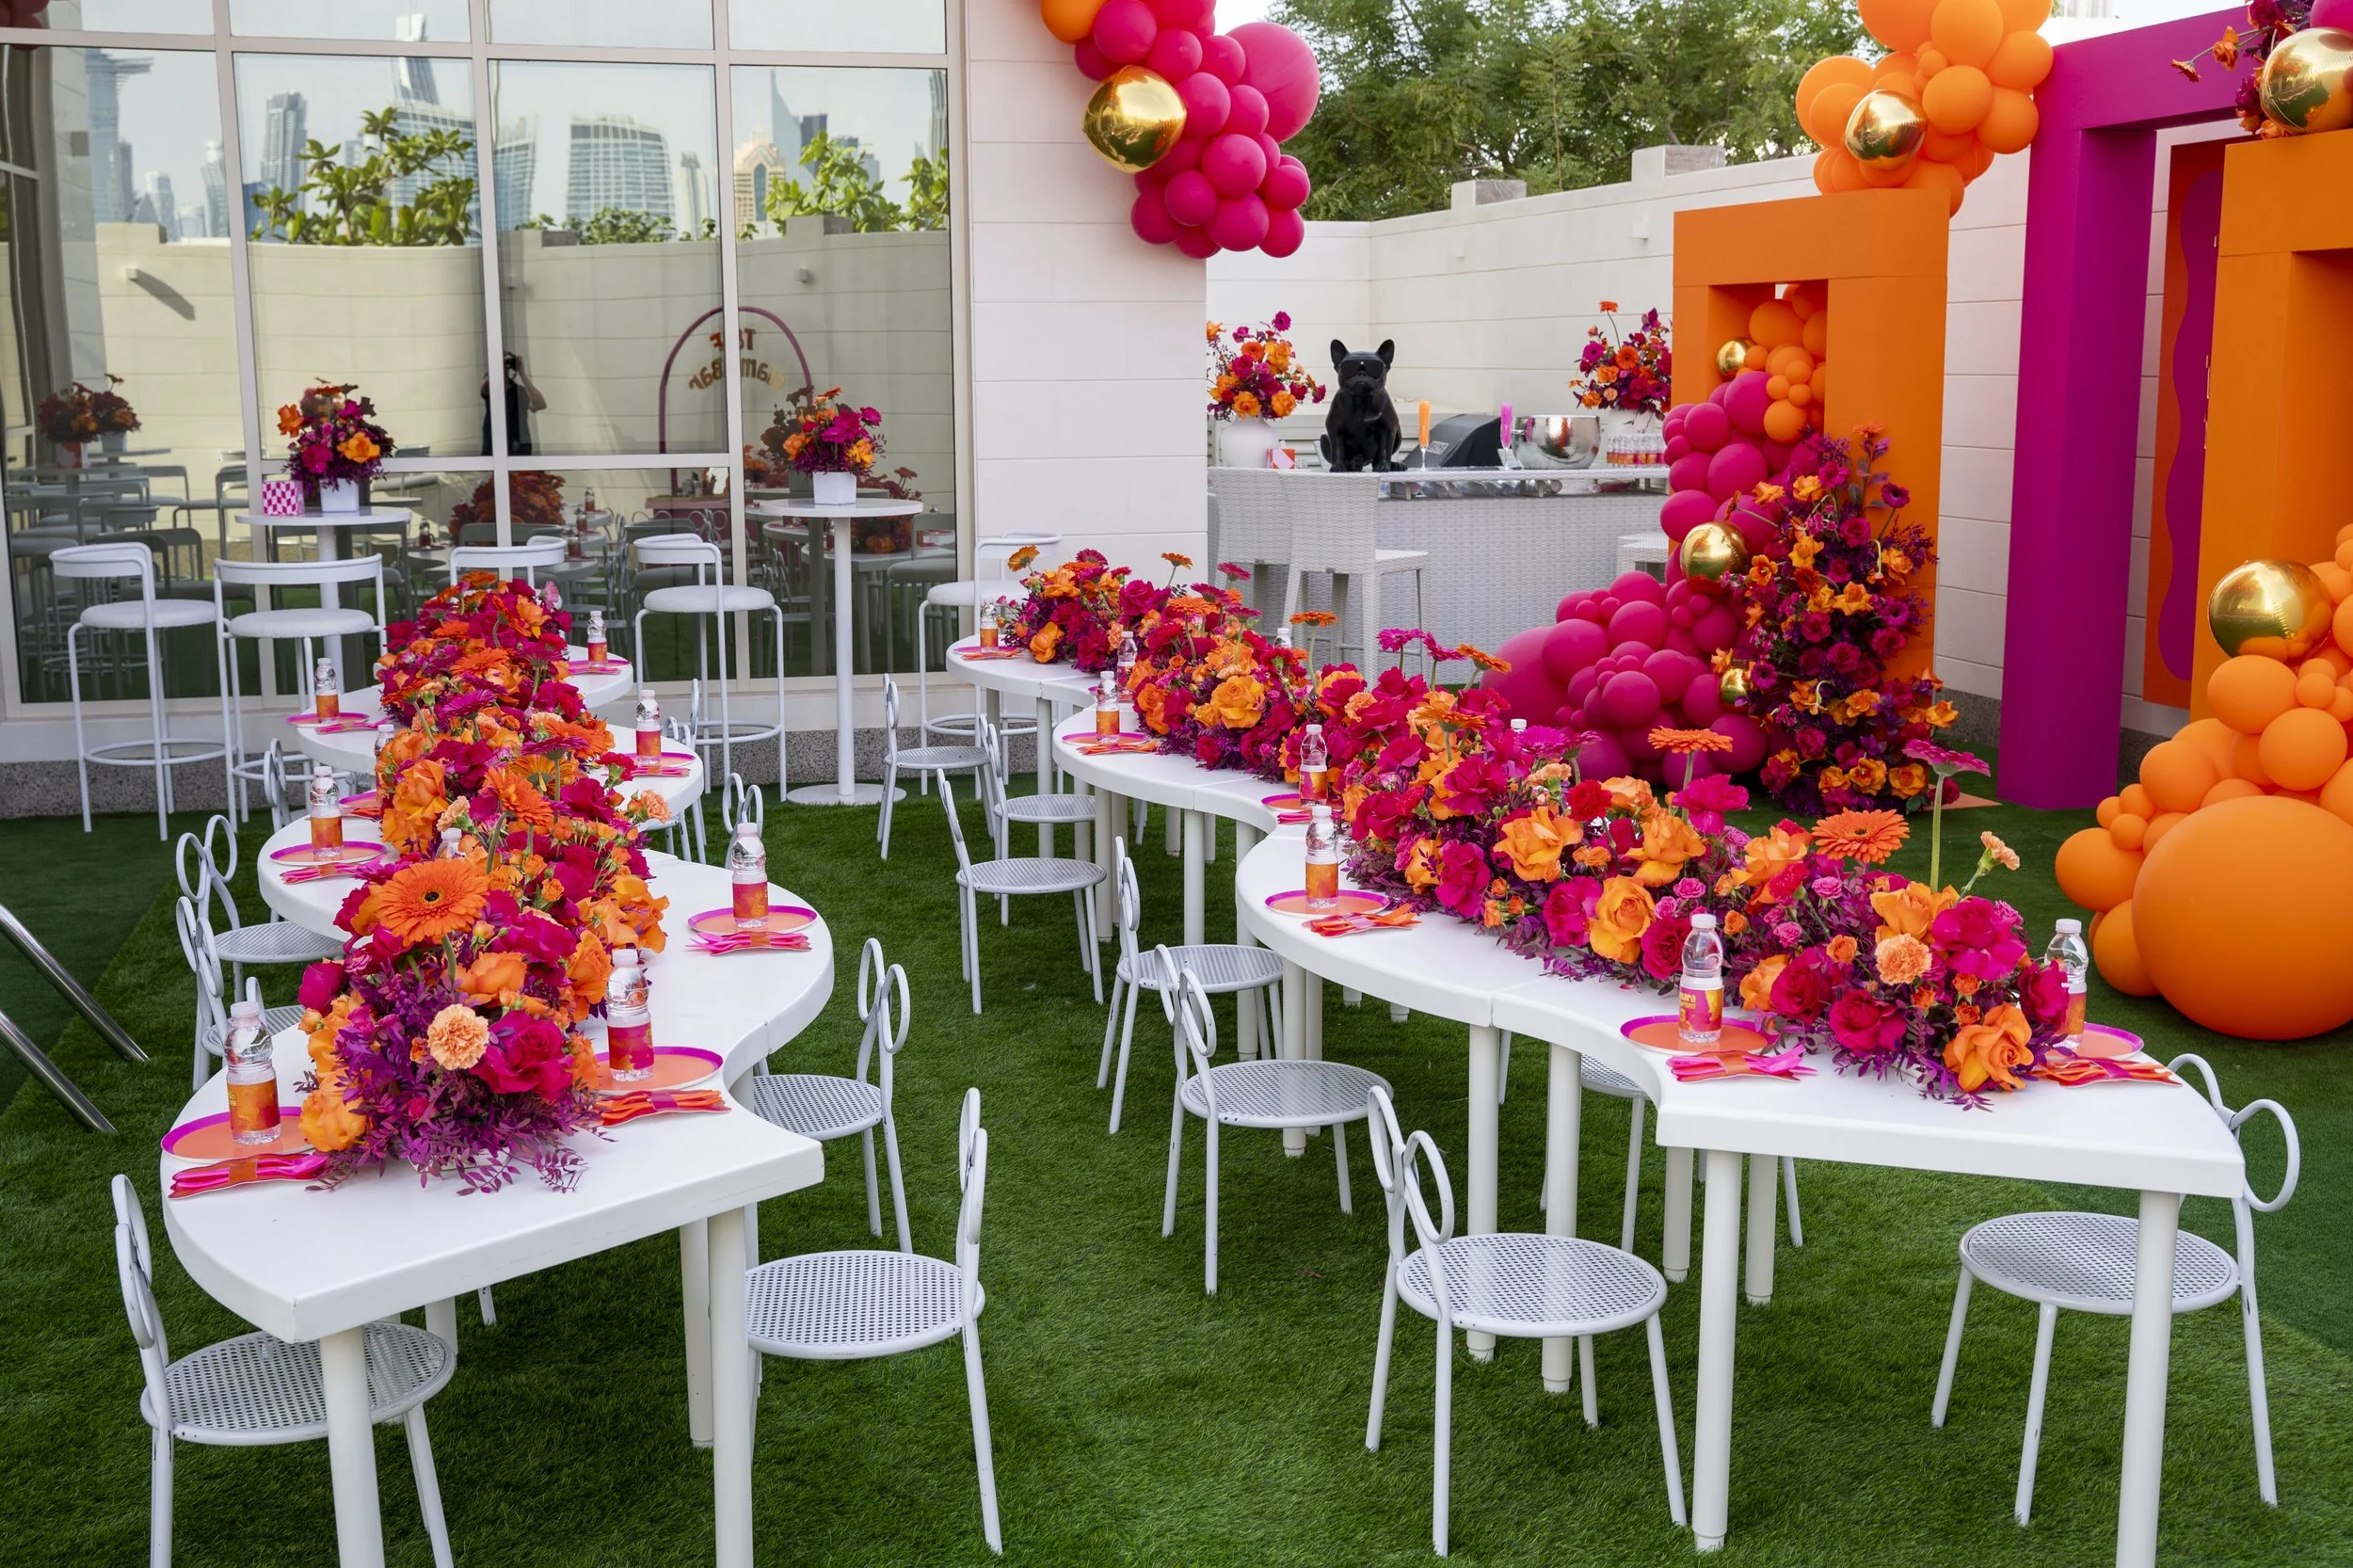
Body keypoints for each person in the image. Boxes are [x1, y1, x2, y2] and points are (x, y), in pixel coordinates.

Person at [481, 352, 547, 456]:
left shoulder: (519, 391)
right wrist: (496, 367)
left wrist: (522, 374)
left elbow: (540, 404)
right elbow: (485, 389)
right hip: (494, 449)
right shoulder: (491, 389)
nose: (504, 369)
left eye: (506, 366)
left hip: (519, 449)